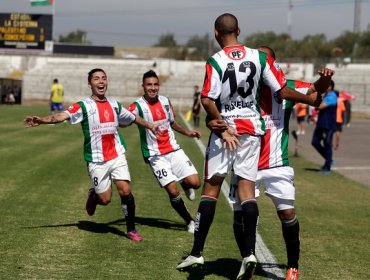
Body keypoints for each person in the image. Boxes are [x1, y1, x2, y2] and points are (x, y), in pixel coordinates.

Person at [176, 14, 322, 280]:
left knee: (211, 187)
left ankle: (197, 252)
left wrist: (219, 121)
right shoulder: (260, 57)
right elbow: (281, 90)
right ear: (239, 30)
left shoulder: (215, 61)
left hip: (226, 130)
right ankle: (250, 254)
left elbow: (207, 98)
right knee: (247, 191)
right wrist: (306, 97)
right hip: (252, 129)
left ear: (216, 33)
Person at [224, 46, 334, 280]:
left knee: (288, 214)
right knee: (240, 217)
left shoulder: (287, 87)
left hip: (277, 164)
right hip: (245, 165)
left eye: (266, 60)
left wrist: (324, 80)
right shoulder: (240, 89)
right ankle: (248, 261)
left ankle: (293, 267)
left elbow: (315, 93)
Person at [24, 68, 160, 242]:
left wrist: (151, 126)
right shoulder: (83, 106)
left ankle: (131, 229)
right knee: (105, 200)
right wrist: (42, 120)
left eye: (104, 78)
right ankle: (94, 195)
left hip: (117, 154)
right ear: (90, 84)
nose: (101, 81)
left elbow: (133, 118)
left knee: (125, 190)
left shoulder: (114, 105)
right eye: (96, 79)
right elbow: (62, 115)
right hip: (96, 160)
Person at [128, 70, 201, 233]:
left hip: (174, 150)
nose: (153, 88)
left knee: (196, 183)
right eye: (149, 85)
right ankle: (189, 221)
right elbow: (126, 119)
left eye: (155, 84)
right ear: (143, 87)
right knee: (173, 191)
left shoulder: (166, 102)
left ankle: (184, 182)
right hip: (155, 155)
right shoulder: (137, 106)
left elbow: (172, 123)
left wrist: (187, 132)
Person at [311, 80, 338, 174]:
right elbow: (316, 107)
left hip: (328, 125)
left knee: (327, 144)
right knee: (315, 142)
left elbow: (320, 106)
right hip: (321, 123)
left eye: (326, 85)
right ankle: (328, 159)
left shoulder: (332, 96)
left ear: (331, 87)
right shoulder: (325, 95)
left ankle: (327, 167)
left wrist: (316, 100)